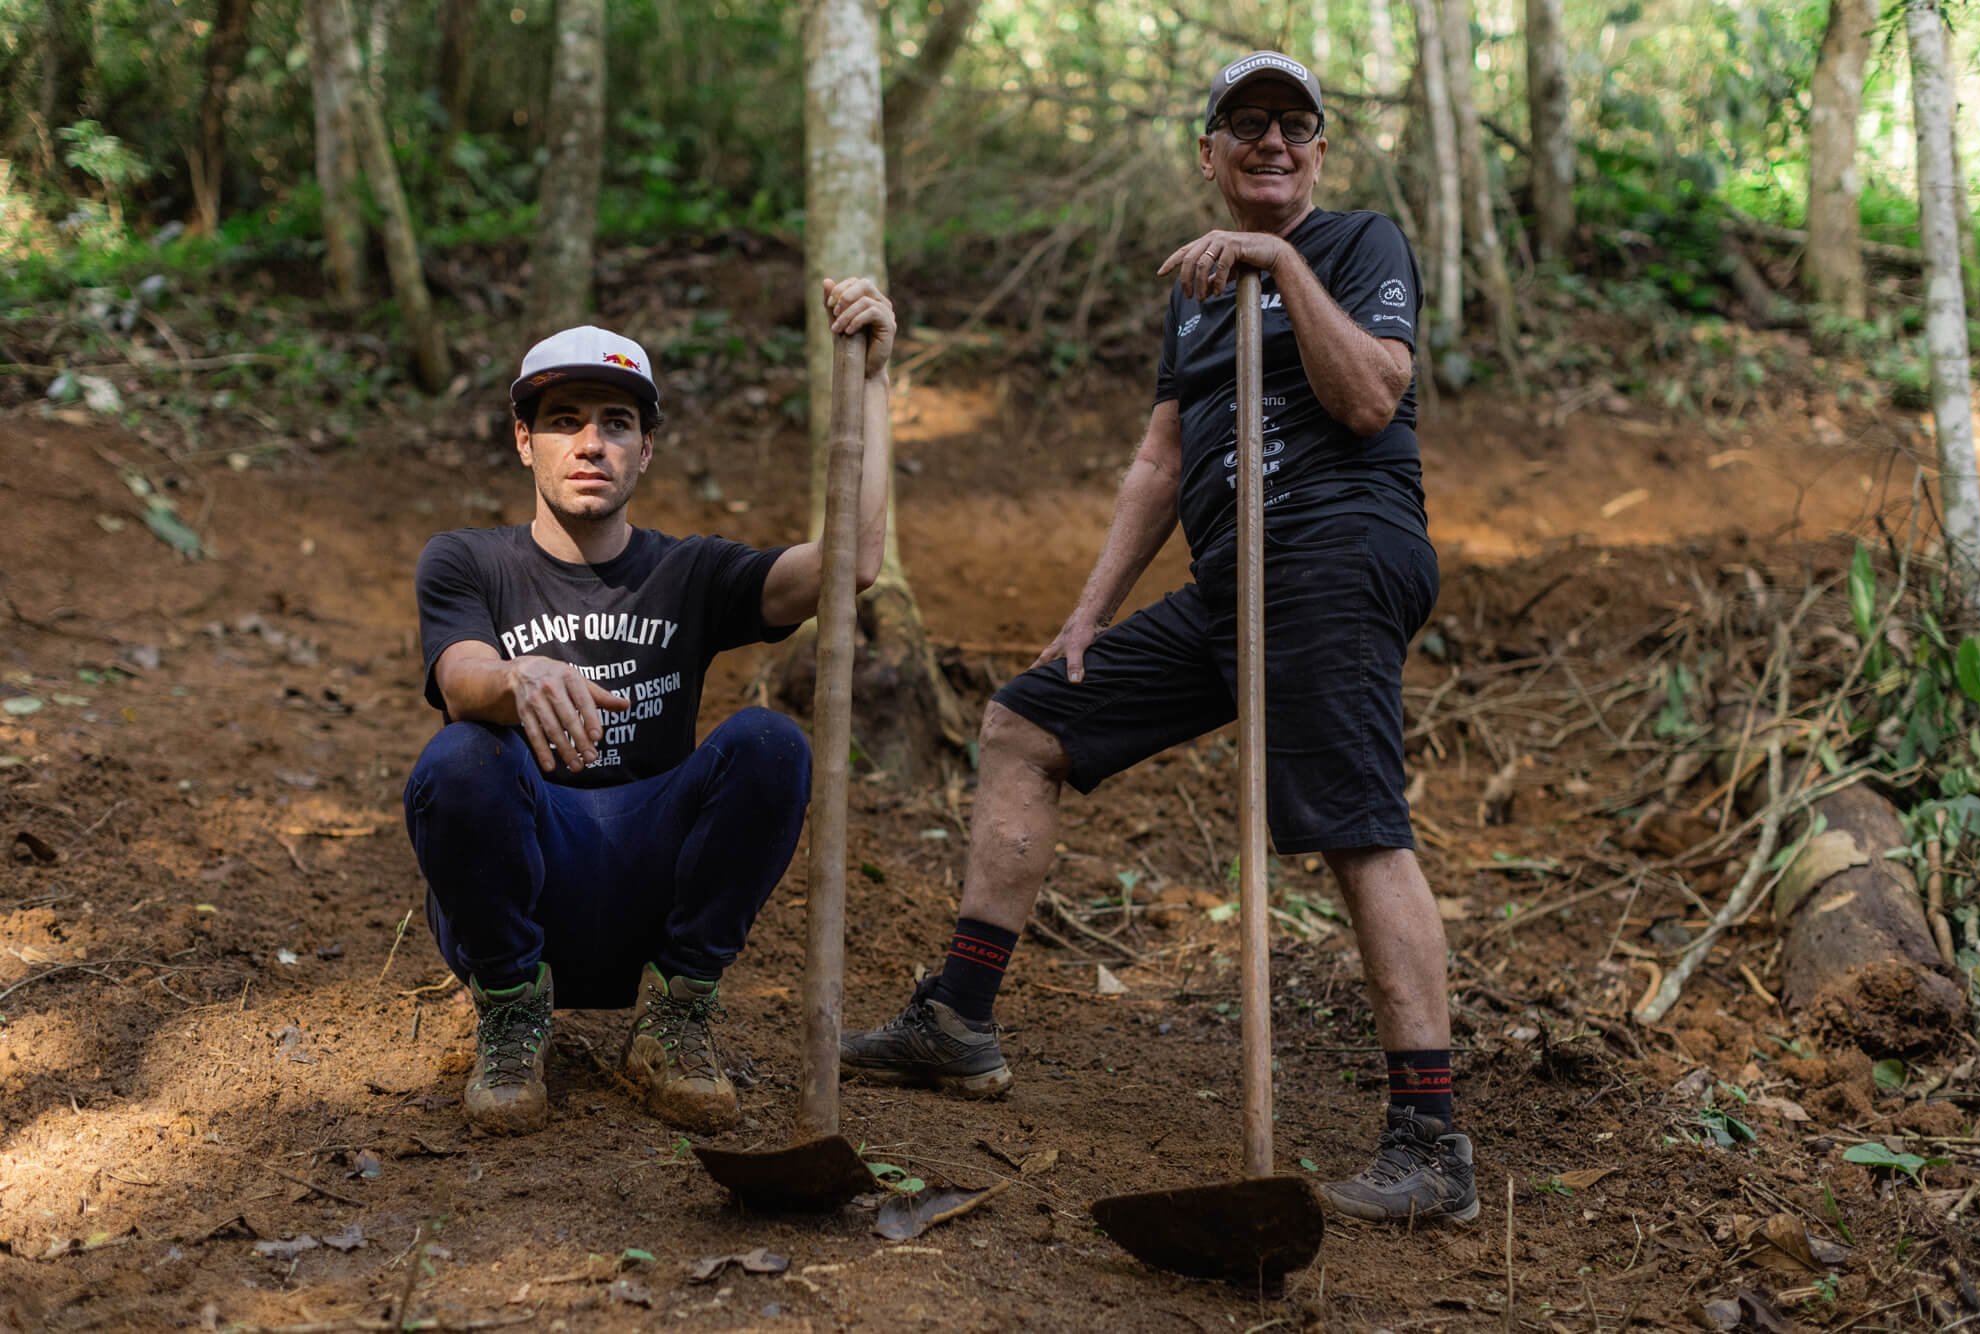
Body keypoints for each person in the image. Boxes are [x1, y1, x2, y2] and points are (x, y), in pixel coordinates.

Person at [840, 51, 1475, 1224]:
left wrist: (1279, 264)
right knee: (1028, 720)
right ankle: (959, 1020)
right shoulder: (1188, 292)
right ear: (1208, 151)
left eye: (1293, 124)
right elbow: (1159, 462)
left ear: (1320, 150)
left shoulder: (1358, 246)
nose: (1270, 142)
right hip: (1231, 579)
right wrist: (1089, 609)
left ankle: (1430, 1142)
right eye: (1244, 124)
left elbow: (1370, 398)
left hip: (1333, 557)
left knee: (1352, 825)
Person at [404, 278, 896, 1136]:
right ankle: (514, 1013)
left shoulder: (690, 572)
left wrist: (878, 382)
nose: (591, 443)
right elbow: (461, 676)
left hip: (650, 885)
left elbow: (848, 565)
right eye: (564, 421)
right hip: (527, 887)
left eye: (617, 424)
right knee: (459, 756)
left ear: (647, 450)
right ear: (524, 442)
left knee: (771, 744)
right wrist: (516, 679)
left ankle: (676, 1016)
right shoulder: (466, 560)